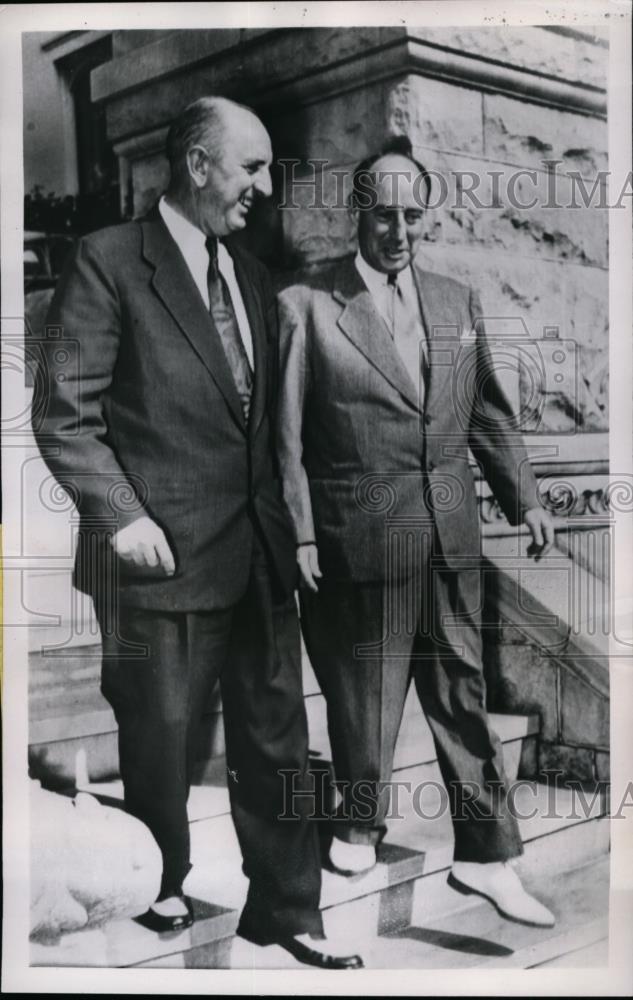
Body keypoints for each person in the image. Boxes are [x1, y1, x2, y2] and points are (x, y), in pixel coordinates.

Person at [33, 96, 362, 970]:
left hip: (255, 554)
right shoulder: (106, 262)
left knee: (277, 735)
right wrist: (123, 515)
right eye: (250, 167)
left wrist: (293, 534)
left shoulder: (250, 276)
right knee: (158, 730)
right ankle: (157, 878)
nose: (264, 184)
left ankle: (287, 909)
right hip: (156, 558)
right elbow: (64, 416)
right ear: (197, 164)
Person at [277, 135, 557, 928]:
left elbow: (485, 413)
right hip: (354, 537)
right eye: (383, 213)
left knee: (461, 690)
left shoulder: (453, 299)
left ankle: (487, 856)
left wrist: (524, 497)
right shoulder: (305, 305)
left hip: (448, 533)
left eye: (412, 215)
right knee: (364, 694)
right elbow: (285, 441)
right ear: (356, 212)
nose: (398, 230)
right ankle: (359, 820)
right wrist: (299, 533)